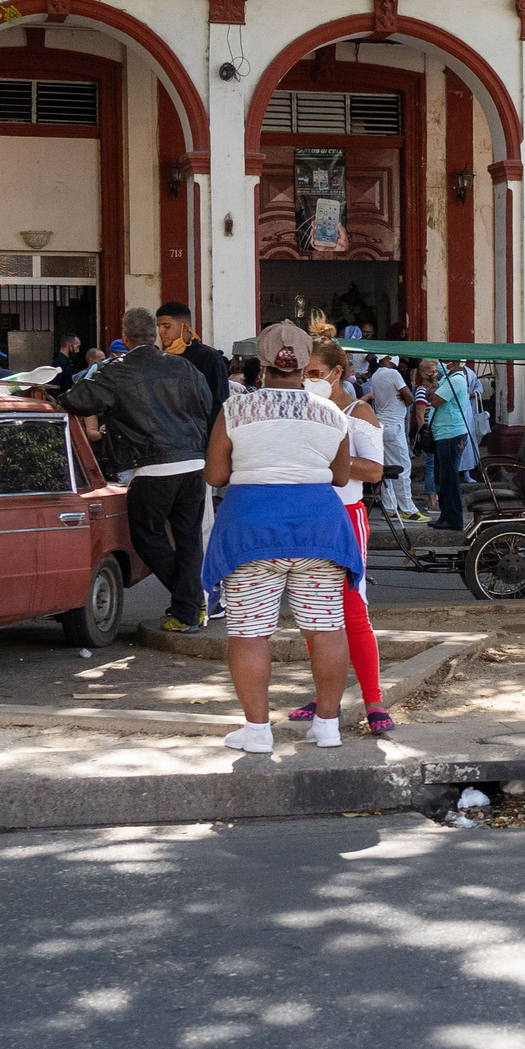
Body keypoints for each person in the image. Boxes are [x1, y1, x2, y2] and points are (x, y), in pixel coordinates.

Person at [201, 321, 363, 753]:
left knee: (250, 632)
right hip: (319, 529)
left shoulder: (234, 410)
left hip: (251, 530)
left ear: (263, 361)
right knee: (326, 628)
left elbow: (216, 475)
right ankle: (327, 726)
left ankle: (257, 731)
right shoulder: (331, 413)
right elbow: (341, 475)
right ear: (306, 361)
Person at [63, 307, 219, 633]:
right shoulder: (184, 367)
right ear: (153, 334)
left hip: (152, 467)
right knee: (189, 539)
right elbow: (208, 406)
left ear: (124, 337)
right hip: (194, 465)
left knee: (147, 537)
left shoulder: (118, 370)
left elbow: (76, 400)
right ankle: (189, 607)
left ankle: (188, 601)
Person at [283, 334, 394, 737]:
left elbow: (374, 471)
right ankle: (324, 696)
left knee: (352, 611)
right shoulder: (298, 409)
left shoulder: (358, 411)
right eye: (303, 373)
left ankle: (373, 699)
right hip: (308, 516)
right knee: (313, 616)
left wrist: (327, 456)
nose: (307, 380)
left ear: (337, 373)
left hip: (346, 517)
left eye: (314, 373)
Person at [424, 357, 477, 533]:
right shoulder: (447, 380)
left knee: (449, 479)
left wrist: (432, 393)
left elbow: (436, 400)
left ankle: (454, 519)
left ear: (453, 363)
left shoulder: (456, 380)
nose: (439, 366)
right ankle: (445, 516)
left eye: (444, 362)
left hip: (451, 435)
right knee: (442, 478)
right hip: (443, 434)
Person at [366, 356, 423, 521]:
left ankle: (390, 507)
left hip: (381, 424)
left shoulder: (375, 375)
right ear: (389, 358)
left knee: (386, 467)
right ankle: (408, 509)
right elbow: (410, 398)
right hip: (394, 425)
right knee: (403, 467)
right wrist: (403, 399)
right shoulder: (393, 374)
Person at [155, 301, 232, 421]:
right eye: (158, 327)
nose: (161, 332)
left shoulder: (208, 356)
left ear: (185, 326)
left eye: (166, 326)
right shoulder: (162, 358)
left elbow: (217, 402)